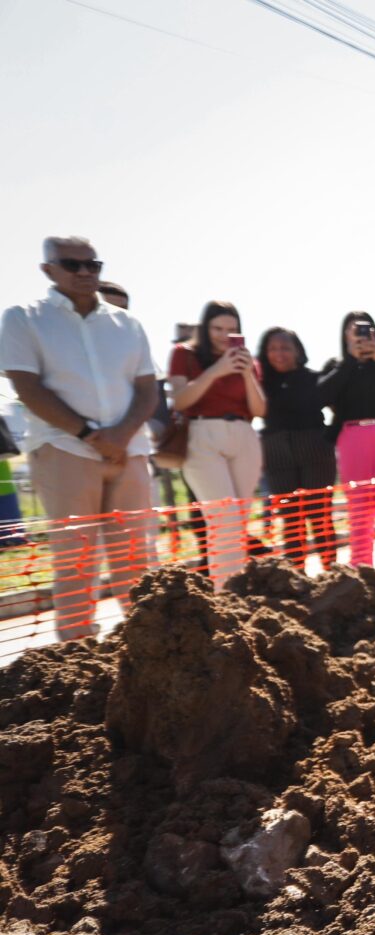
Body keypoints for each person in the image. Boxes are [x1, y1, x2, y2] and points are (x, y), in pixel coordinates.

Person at [0, 236, 157, 640]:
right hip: (63, 450)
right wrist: (88, 434)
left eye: (93, 265)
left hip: (129, 451)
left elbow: (146, 390)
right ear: (48, 269)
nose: (85, 272)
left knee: (137, 558)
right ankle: (77, 653)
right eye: (73, 264)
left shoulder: (128, 324)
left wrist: (119, 436)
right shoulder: (23, 318)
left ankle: (149, 644)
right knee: (76, 559)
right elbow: (28, 387)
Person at [168, 300, 267, 590]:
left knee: (239, 522)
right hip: (202, 435)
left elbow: (259, 409)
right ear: (205, 327)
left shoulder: (249, 361)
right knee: (224, 521)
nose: (224, 335)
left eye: (232, 329)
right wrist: (216, 371)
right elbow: (181, 400)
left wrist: (247, 372)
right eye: (217, 328)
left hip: (244, 435)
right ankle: (226, 595)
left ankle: (234, 591)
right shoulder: (183, 354)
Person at [318, 311, 375, 566]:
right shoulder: (336, 366)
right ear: (344, 335)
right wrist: (349, 362)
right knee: (359, 509)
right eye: (354, 330)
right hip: (351, 438)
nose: (360, 334)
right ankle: (361, 569)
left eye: (366, 329)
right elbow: (320, 396)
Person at [256, 327, 336, 569]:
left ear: (297, 351)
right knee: (291, 519)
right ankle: (297, 575)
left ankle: (332, 572)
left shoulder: (314, 379)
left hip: (314, 449)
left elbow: (339, 408)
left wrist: (328, 438)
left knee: (319, 514)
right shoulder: (260, 383)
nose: (279, 353)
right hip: (277, 453)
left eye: (285, 348)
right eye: (272, 348)